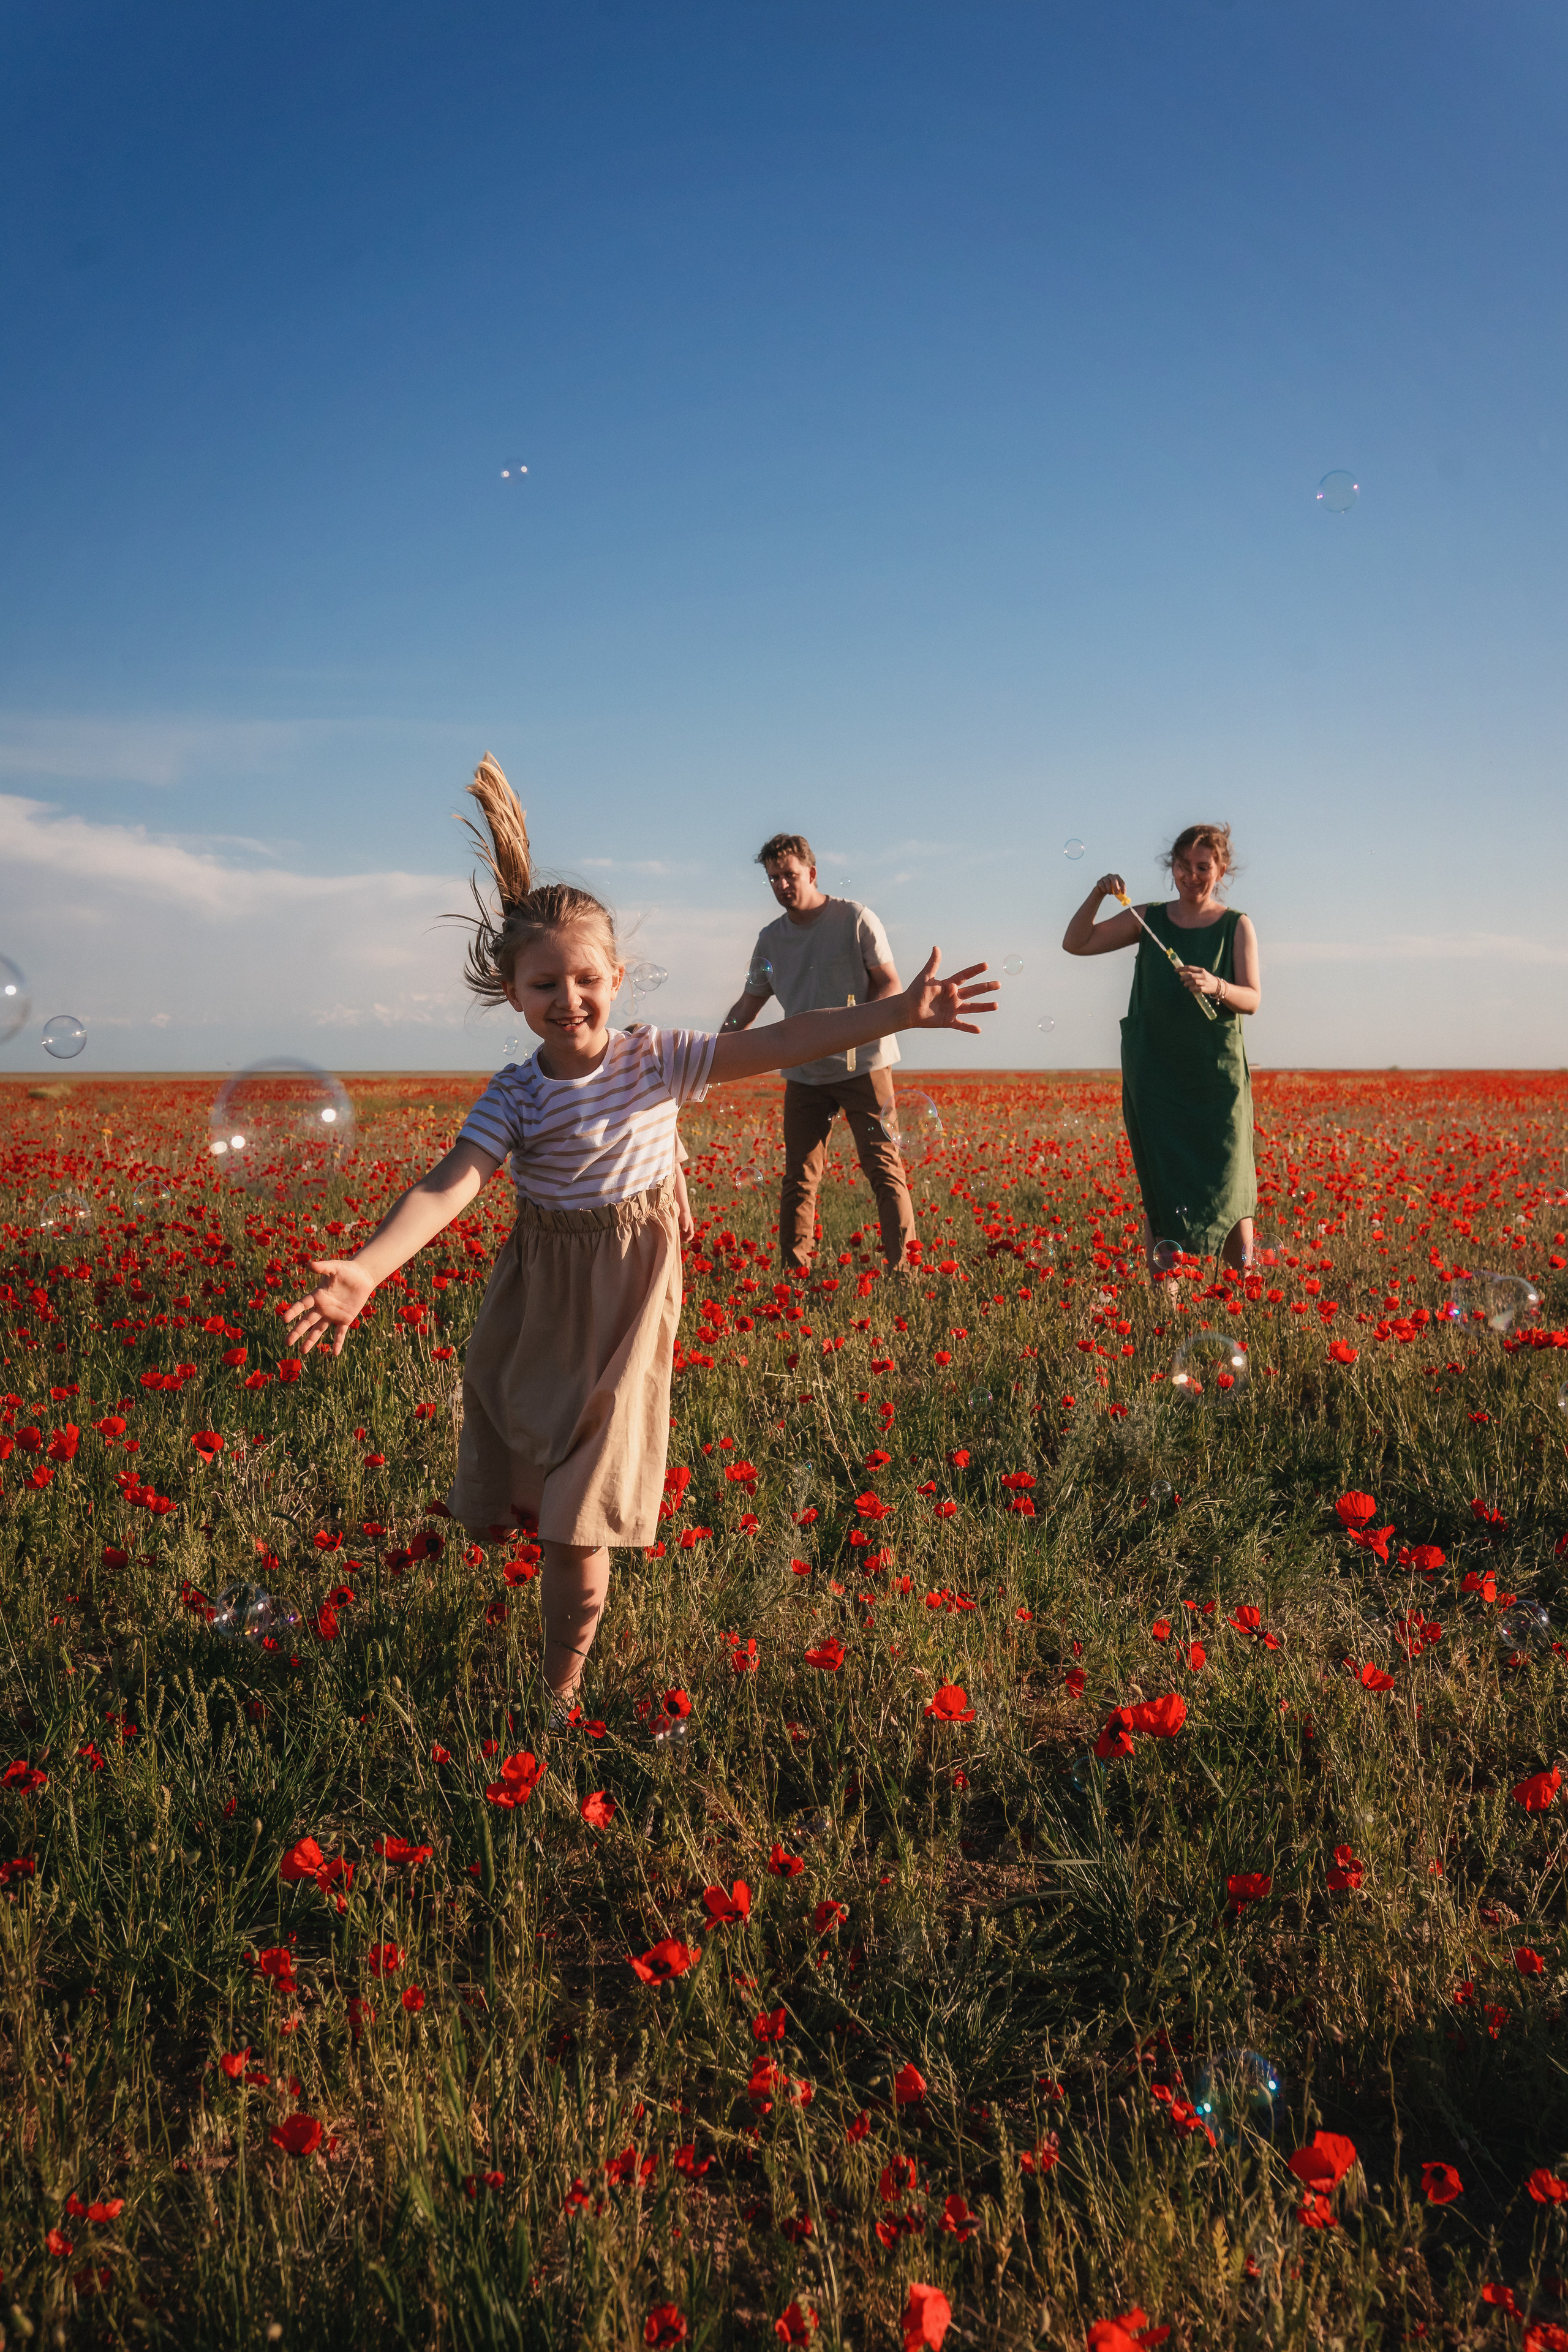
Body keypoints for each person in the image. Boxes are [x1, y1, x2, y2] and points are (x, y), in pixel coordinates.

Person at [284, 758, 996, 1713]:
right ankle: (550, 1623)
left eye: (587, 979)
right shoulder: (516, 1093)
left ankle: (558, 1695)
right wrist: (368, 1270)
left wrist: (896, 1013)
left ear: (617, 978)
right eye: (546, 983)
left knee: (583, 1529)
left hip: (631, 1307)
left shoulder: (659, 1060)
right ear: (512, 993)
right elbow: (453, 1181)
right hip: (542, 1303)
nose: (569, 999)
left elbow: (785, 1040)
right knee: (537, 1494)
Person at [1061, 823, 1261, 1277]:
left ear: (1221, 869)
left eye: (1203, 867)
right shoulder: (1147, 918)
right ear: (1171, 868)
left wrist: (1217, 985)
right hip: (1157, 1077)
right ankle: (1164, 1310)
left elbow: (1253, 999)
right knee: (1162, 1191)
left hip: (1216, 1080)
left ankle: (1244, 1296)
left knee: (1232, 1187)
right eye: (1183, 866)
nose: (1192, 875)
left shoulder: (1236, 925)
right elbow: (1076, 943)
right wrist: (1097, 893)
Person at [720, 832, 916, 1272]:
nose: (782, 886)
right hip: (805, 1074)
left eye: (789, 875)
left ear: (811, 873)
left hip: (865, 1065)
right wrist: (711, 1055)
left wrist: (854, 1029)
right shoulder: (770, 940)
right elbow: (746, 1007)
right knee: (799, 1179)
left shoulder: (855, 918)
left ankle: (905, 1273)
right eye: (773, 879)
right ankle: (796, 1273)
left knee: (885, 1171)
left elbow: (890, 984)